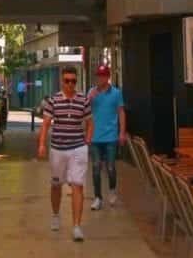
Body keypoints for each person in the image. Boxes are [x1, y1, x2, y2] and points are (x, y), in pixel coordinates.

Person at [37, 65, 93, 242]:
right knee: (56, 185)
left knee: (77, 185)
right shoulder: (53, 100)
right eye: (67, 81)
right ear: (62, 81)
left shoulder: (83, 100)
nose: (70, 84)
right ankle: (55, 214)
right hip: (58, 149)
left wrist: (87, 140)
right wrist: (42, 144)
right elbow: (46, 123)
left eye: (73, 81)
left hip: (78, 148)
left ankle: (76, 226)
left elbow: (90, 122)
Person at [88, 64, 126, 210]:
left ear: (108, 77)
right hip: (95, 137)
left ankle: (112, 189)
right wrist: (89, 99)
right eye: (99, 76)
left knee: (110, 167)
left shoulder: (116, 93)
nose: (101, 78)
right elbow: (84, 111)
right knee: (96, 167)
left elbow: (121, 112)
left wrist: (122, 132)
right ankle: (98, 197)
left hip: (110, 137)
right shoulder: (91, 92)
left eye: (103, 76)